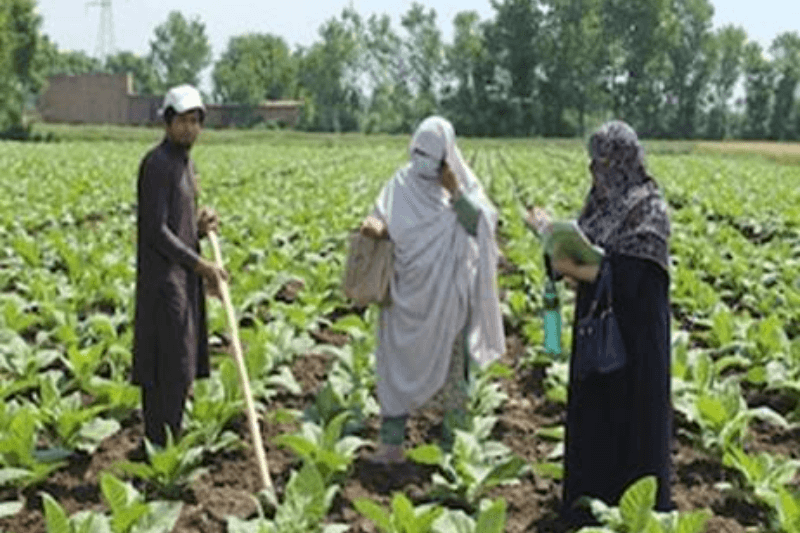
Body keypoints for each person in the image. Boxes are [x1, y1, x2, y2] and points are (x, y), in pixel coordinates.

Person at [530, 120, 673, 526]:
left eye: (604, 163)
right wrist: (550, 238)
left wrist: (577, 265)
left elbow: (633, 278)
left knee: (633, 428)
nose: (596, 173)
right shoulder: (598, 204)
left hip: (635, 343)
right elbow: (583, 248)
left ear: (626, 161)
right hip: (597, 330)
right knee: (594, 420)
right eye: (593, 164)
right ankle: (586, 508)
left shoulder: (649, 208)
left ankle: (637, 515)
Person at [360, 116, 506, 464]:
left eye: (430, 154)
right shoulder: (400, 183)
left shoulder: (463, 184)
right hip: (403, 295)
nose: (421, 159)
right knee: (394, 368)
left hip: (446, 299)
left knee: (453, 376)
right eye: (417, 151)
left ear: (446, 155)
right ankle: (391, 447)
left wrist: (455, 192)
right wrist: (375, 226)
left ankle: (455, 452)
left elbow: (482, 227)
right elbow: (382, 217)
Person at [132, 84, 228, 450]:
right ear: (167, 122)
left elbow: (179, 224)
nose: (190, 128)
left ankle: (168, 440)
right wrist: (200, 265)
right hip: (163, 284)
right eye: (183, 121)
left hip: (182, 280)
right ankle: (159, 442)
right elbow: (155, 231)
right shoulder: (157, 165)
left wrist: (200, 228)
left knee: (181, 365)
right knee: (167, 367)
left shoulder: (186, 164)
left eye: (196, 121)